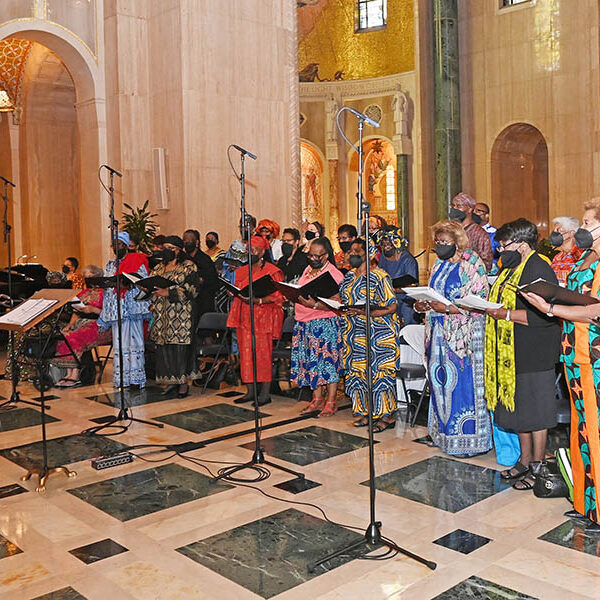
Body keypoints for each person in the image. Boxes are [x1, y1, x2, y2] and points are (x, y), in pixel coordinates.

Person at [521, 200, 600, 530]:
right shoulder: (585, 257)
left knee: (595, 430)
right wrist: (552, 296)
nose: (582, 228)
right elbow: (574, 295)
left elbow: (594, 311)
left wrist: (550, 309)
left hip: (593, 355)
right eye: (581, 221)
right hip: (571, 352)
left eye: (588, 222)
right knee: (579, 430)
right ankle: (584, 501)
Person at [484, 218, 561, 490]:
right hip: (512, 352)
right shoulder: (511, 268)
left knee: (536, 414)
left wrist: (503, 313)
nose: (501, 250)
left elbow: (543, 315)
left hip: (534, 351)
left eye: (504, 245)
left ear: (523, 244)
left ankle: (538, 467)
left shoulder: (539, 268)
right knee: (521, 412)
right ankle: (524, 460)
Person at [415, 221, 492, 456]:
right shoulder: (438, 263)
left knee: (462, 385)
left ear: (458, 242)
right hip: (437, 332)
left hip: (463, 336)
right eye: (437, 242)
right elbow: (432, 294)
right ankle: (444, 435)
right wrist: (423, 305)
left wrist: (448, 308)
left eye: (445, 242)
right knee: (440, 383)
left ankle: (469, 439)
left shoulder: (472, 263)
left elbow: (480, 301)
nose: (440, 246)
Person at [340, 238, 400, 432]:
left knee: (379, 374)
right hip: (354, 332)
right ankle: (365, 412)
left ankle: (386, 416)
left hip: (379, 333)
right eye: (351, 251)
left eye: (357, 251)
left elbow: (392, 306)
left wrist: (369, 313)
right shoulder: (349, 276)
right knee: (358, 372)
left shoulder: (380, 276)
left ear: (369, 254)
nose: (351, 254)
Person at [227, 236, 284, 405]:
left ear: (262, 252)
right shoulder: (241, 271)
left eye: (253, 250)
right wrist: (235, 293)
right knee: (246, 354)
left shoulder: (272, 271)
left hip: (263, 317)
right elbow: (238, 289)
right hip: (244, 316)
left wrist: (258, 300)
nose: (249, 253)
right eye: (248, 250)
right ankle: (250, 391)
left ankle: (265, 394)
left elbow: (279, 296)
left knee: (262, 356)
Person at [291, 237, 344, 417]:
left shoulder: (333, 273)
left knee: (327, 363)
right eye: (311, 255)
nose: (313, 258)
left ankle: (331, 401)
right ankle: (316, 399)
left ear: (326, 256)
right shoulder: (308, 270)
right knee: (311, 363)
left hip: (324, 322)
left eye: (317, 256)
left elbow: (339, 303)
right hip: (304, 323)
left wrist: (314, 305)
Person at [99, 231, 151, 389]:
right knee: (120, 345)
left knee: (134, 344)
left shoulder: (136, 261)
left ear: (127, 245)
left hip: (131, 310)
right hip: (117, 310)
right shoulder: (110, 264)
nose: (117, 247)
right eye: (114, 245)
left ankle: (136, 380)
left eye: (120, 244)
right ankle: (122, 379)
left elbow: (143, 282)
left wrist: (128, 286)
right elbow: (108, 282)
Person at [150, 236, 200, 398]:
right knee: (165, 349)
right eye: (164, 247)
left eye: (170, 248)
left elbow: (192, 289)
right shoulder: (158, 267)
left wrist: (168, 292)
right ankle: (171, 382)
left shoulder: (188, 266)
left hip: (181, 316)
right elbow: (151, 283)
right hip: (161, 315)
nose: (166, 251)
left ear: (179, 250)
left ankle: (183, 384)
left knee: (179, 349)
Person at [54, 265, 112, 387]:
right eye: (86, 277)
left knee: (75, 337)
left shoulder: (107, 293)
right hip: (82, 322)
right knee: (64, 335)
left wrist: (93, 309)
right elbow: (76, 311)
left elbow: (111, 314)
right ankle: (68, 373)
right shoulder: (84, 292)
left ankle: (76, 374)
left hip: (101, 324)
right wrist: (70, 324)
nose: (89, 280)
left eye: (91, 277)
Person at [376, 227, 419, 326]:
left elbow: (412, 287)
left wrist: (391, 289)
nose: (386, 247)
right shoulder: (383, 257)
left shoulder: (408, 261)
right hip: (389, 301)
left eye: (389, 244)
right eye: (384, 244)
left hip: (406, 302)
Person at [450, 193, 493, 272]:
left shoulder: (479, 233)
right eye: (453, 206)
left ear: (470, 209)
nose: (454, 209)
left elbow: (486, 263)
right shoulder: (451, 231)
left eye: (459, 206)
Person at [182, 229, 219, 317]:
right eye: (184, 241)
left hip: (203, 303)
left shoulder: (205, 260)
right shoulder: (183, 259)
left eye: (189, 241)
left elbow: (213, 281)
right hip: (186, 304)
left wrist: (199, 280)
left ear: (197, 242)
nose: (186, 243)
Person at [549, 216, 582, 286]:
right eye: (554, 231)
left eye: (558, 230)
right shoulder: (556, 258)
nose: (555, 234)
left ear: (571, 233)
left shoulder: (580, 256)